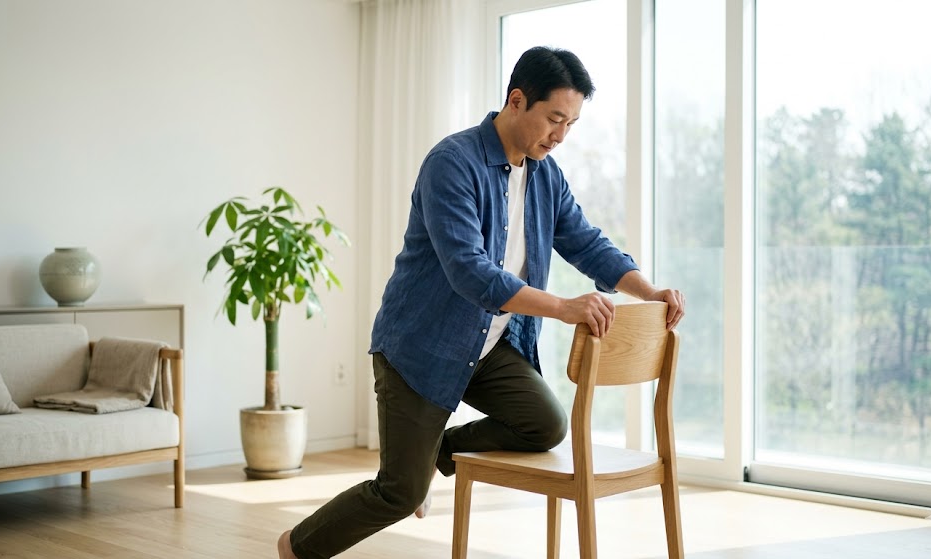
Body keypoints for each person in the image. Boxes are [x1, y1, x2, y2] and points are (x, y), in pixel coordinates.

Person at [278, 45, 685, 559]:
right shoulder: (452, 163)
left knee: (545, 424)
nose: (561, 135)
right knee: (400, 493)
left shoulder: (545, 175)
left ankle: (438, 453)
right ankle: (295, 547)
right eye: (554, 118)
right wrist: (564, 307)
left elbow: (586, 242)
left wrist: (648, 290)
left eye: (571, 123)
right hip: (422, 346)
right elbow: (470, 272)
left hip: (488, 346)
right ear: (517, 101)